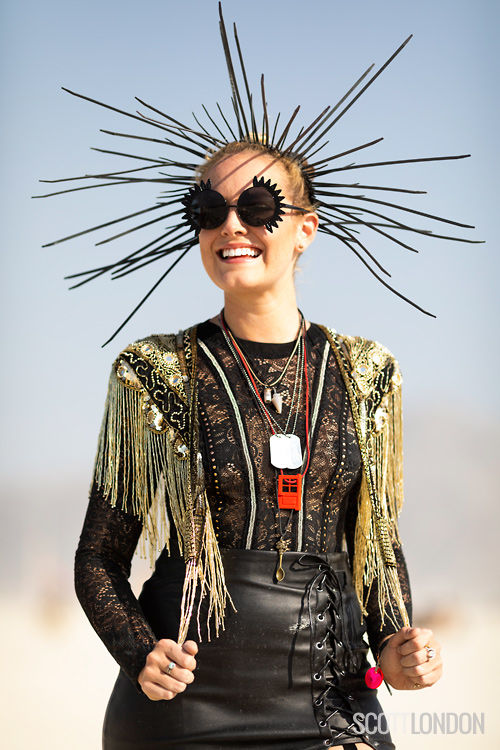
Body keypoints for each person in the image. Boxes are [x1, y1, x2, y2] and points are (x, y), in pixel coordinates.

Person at [74, 139, 443, 750]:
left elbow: (374, 545)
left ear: (305, 228)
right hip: (184, 710)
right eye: (208, 211)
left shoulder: (366, 371)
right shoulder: (154, 371)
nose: (231, 227)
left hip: (334, 699)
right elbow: (99, 558)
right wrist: (141, 654)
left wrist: (396, 647)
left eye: (255, 205)